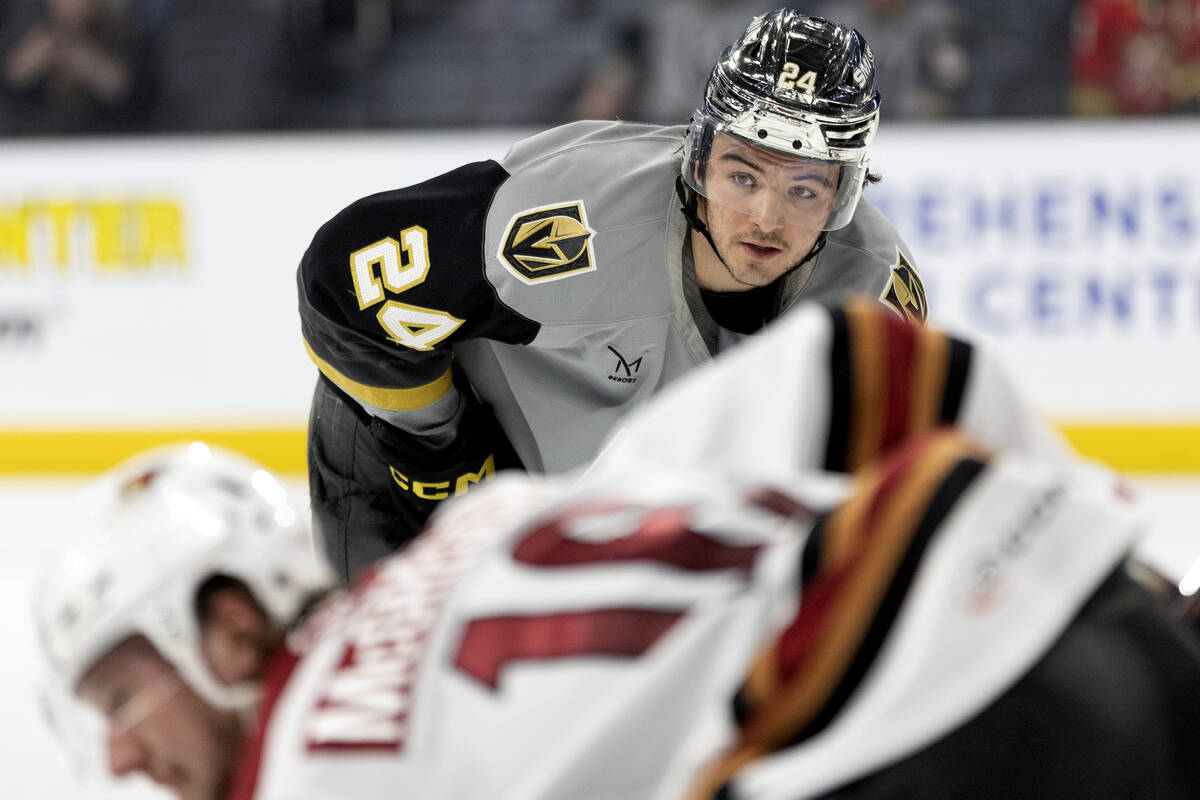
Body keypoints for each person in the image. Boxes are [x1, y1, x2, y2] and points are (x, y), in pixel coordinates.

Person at [36, 308, 1200, 799]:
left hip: (916, 753)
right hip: (1079, 604)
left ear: (229, 618)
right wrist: (1101, 570)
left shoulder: (312, 776)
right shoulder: (490, 529)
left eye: (124, 689)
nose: (123, 754)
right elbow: (857, 359)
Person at [299, 8, 931, 582]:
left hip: (606, 523)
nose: (766, 218)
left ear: (844, 193)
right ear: (700, 157)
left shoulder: (874, 297)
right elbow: (339, 279)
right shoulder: (573, 216)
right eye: (743, 176)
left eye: (804, 190)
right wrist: (436, 447)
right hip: (408, 471)